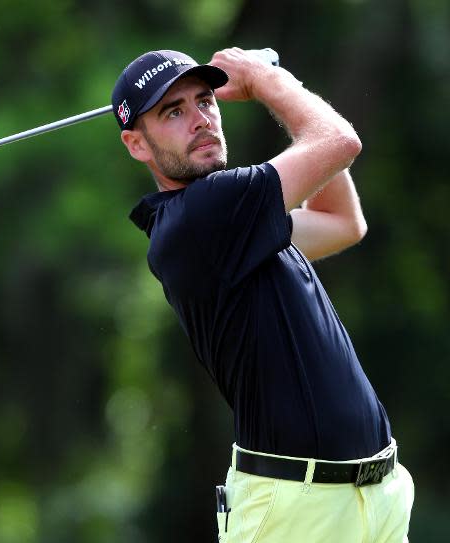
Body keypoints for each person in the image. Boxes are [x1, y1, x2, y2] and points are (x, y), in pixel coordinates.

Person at [112, 48, 415, 542]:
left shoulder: (234, 222)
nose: (200, 120)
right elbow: (339, 141)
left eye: (206, 101)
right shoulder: (203, 214)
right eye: (173, 112)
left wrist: (276, 85)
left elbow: (343, 223)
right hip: (295, 512)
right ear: (136, 144)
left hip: (374, 498)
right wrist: (268, 81)